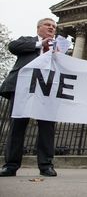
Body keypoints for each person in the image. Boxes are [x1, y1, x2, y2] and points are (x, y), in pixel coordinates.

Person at [0, 18, 58, 177]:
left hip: (46, 89)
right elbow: (12, 46)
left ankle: (46, 165)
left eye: (54, 26)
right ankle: (10, 165)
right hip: (23, 87)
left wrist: (60, 56)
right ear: (39, 28)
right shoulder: (28, 41)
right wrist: (40, 44)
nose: (51, 28)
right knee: (17, 126)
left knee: (47, 127)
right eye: (48, 25)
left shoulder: (58, 48)